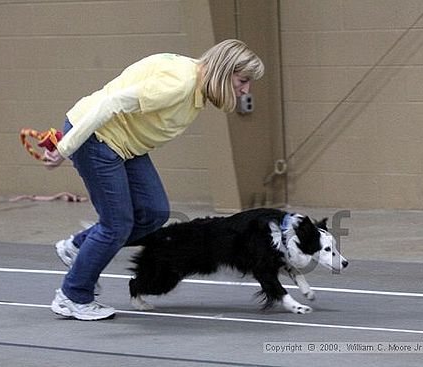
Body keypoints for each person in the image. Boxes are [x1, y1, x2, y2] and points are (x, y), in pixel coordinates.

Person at [44, 39, 264, 321]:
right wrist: (66, 148)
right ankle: (73, 296)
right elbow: (109, 104)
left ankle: (78, 247)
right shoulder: (179, 84)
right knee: (117, 225)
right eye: (243, 80)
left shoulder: (194, 81)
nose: (245, 89)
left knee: (153, 212)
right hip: (97, 139)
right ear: (224, 70)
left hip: (128, 144)